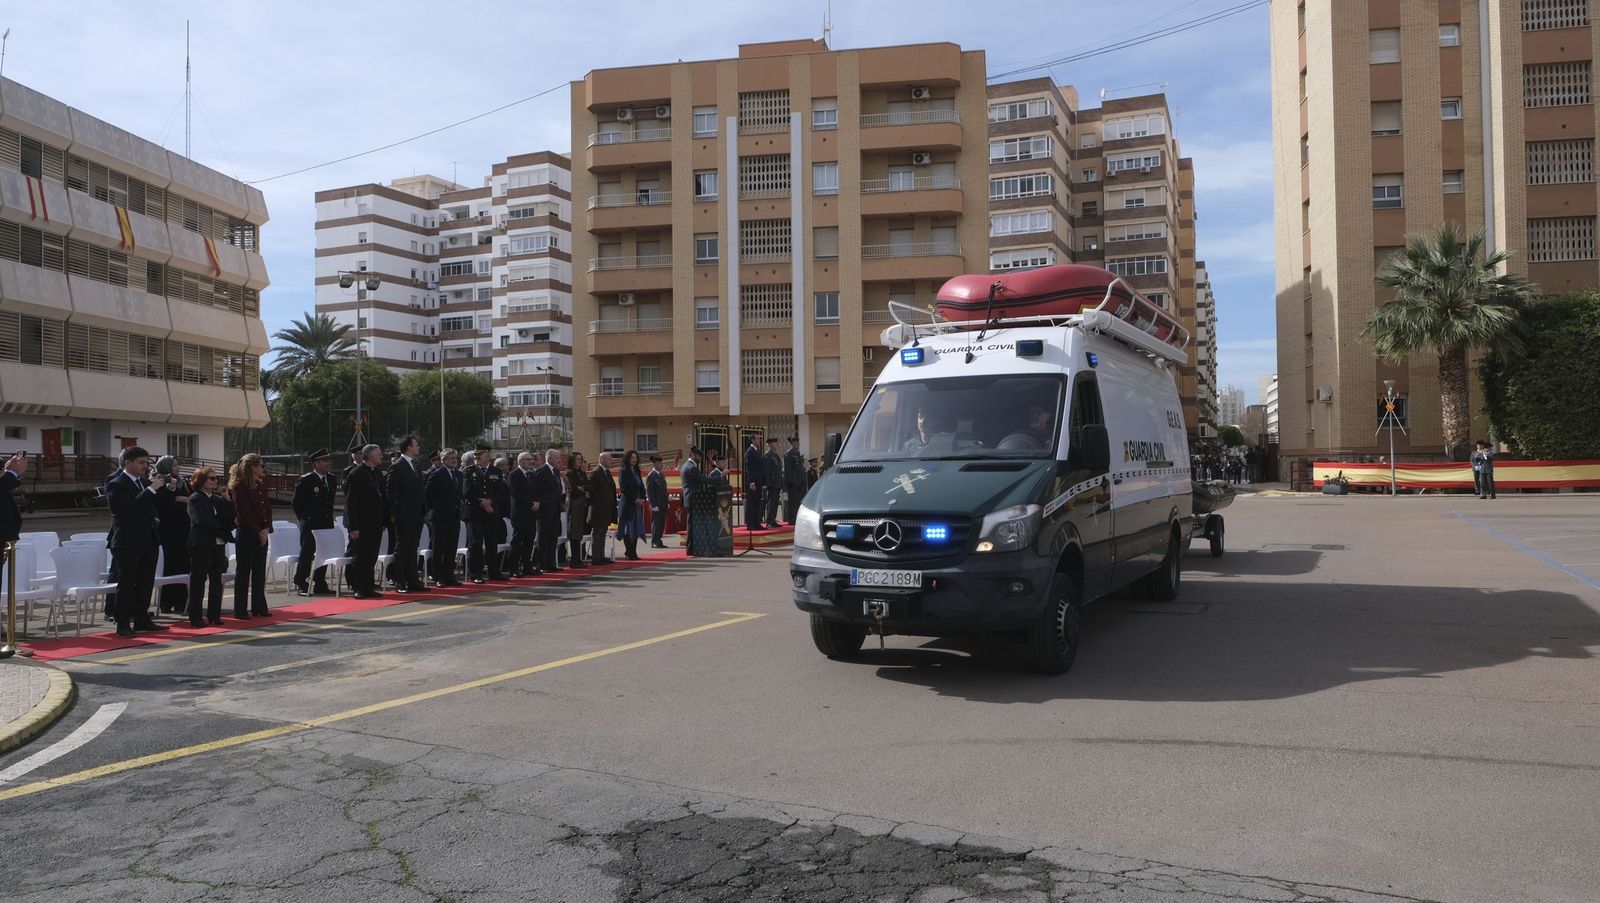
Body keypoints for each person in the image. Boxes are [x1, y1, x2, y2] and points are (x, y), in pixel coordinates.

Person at [105, 447, 169, 637]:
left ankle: (142, 619)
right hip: (128, 541)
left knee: (146, 581)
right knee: (127, 582)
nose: (145, 466)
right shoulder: (116, 483)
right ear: (127, 463)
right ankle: (123, 622)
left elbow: (158, 506)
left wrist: (165, 489)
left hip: (148, 538)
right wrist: (151, 489)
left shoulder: (143, 482)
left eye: (146, 462)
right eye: (141, 462)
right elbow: (128, 510)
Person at [184, 466, 234, 627]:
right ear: (201, 481)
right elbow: (200, 521)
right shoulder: (195, 498)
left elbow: (230, 518)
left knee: (216, 580)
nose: (215, 481)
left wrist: (227, 498)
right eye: (211, 478)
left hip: (218, 543)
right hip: (201, 543)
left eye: (216, 478)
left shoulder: (217, 499)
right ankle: (196, 617)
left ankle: (215, 615)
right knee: (198, 581)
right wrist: (220, 529)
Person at [229, 453, 273, 619]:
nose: (263, 469)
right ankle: (240, 610)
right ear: (253, 467)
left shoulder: (260, 485)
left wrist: (266, 529)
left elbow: (267, 509)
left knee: (259, 571)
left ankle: (259, 607)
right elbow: (245, 512)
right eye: (261, 465)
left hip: (261, 531)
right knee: (244, 572)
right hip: (247, 532)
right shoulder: (239, 486)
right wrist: (258, 531)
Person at [290, 449, 337, 597]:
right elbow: (296, 503)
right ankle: (301, 581)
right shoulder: (306, 480)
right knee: (307, 553)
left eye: (328, 461)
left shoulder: (331, 479)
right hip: (311, 523)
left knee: (323, 553)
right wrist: (304, 519)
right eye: (324, 461)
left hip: (326, 522)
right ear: (315, 464)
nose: (327, 463)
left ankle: (320, 582)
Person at [343, 445, 387, 599]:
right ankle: (358, 587)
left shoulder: (376, 473)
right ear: (370, 456)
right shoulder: (356, 474)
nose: (381, 456)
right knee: (360, 557)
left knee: (371, 557)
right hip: (361, 525)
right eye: (379, 454)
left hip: (375, 524)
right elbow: (351, 503)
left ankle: (369, 586)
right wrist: (353, 527)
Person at [385, 436, 428, 592]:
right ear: (409, 447)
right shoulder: (397, 466)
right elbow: (391, 492)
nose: (418, 448)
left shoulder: (415, 464)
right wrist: (392, 514)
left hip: (417, 513)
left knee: (413, 547)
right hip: (404, 514)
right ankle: (399, 581)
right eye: (416, 445)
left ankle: (413, 580)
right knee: (402, 548)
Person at [153, 455, 191, 614]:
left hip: (183, 528)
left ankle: (181, 602)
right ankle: (166, 602)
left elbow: (191, 497)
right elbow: (163, 504)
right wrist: (176, 496)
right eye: (174, 465)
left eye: (178, 465)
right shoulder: (158, 481)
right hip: (167, 529)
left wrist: (181, 498)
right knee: (169, 565)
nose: (178, 468)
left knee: (183, 564)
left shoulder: (181, 481)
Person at [425, 447, 464, 587]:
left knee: (451, 548)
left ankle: (449, 575)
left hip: (454, 516)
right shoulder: (436, 475)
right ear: (443, 460)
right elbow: (428, 495)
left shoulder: (458, 474)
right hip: (440, 517)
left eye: (456, 458)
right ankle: (438, 577)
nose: (455, 461)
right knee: (439, 548)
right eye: (451, 458)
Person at [462, 449, 497, 584]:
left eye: (479, 456)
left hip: (491, 511)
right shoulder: (468, 471)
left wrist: (491, 502)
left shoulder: (495, 471)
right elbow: (467, 492)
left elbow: (500, 491)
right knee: (475, 543)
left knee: (491, 542)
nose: (476, 458)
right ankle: (475, 573)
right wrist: (482, 502)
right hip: (474, 512)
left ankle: (494, 572)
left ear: (487, 457)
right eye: (475, 456)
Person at [532, 447, 566, 573]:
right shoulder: (541, 472)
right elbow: (536, 490)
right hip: (544, 511)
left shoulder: (556, 472)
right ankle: (543, 563)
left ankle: (552, 563)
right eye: (557, 458)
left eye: (559, 458)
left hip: (555, 509)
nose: (559, 460)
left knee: (553, 537)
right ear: (549, 458)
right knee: (544, 537)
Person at [507, 452, 541, 577]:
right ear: (520, 461)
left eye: (532, 459)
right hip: (520, 513)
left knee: (529, 541)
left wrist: (537, 502)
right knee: (518, 541)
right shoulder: (514, 475)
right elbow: (516, 493)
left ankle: (527, 566)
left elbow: (536, 491)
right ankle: (513, 568)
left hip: (531, 513)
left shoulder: (531, 475)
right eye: (528, 459)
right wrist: (531, 503)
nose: (531, 462)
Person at [588, 452, 617, 565]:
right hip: (598, 509)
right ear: (601, 459)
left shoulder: (607, 472)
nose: (611, 461)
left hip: (606, 509)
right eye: (609, 459)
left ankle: (601, 556)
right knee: (597, 533)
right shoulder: (595, 473)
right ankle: (596, 558)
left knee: (603, 533)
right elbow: (590, 491)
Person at [617, 450, 646, 561]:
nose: (634, 459)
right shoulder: (624, 471)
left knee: (636, 527)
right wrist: (635, 499)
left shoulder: (637, 471)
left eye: (635, 457)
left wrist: (643, 498)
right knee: (628, 528)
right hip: (629, 504)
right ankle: (629, 552)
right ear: (627, 459)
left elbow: (641, 487)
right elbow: (623, 488)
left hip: (638, 505)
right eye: (632, 457)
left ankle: (633, 552)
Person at [566, 452, 591, 568]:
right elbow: (573, 489)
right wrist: (581, 488)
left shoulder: (582, 472)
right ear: (572, 460)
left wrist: (582, 488)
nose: (580, 461)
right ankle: (574, 560)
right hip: (575, 504)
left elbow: (588, 486)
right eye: (578, 459)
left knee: (580, 532)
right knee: (575, 532)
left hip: (583, 505)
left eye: (581, 459)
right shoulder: (570, 473)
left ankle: (579, 558)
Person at [490, 456, 512, 576]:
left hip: (503, 514)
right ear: (499, 467)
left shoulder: (505, 478)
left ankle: (503, 564)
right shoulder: (496, 478)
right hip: (498, 513)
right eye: (505, 464)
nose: (508, 466)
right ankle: (498, 564)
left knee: (502, 537)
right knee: (497, 539)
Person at [646, 454, 670, 549]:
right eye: (659, 463)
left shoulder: (661, 474)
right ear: (654, 464)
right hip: (656, 504)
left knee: (661, 523)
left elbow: (664, 490)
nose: (661, 465)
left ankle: (659, 540)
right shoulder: (651, 476)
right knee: (656, 523)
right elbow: (650, 491)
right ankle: (654, 541)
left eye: (661, 463)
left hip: (663, 503)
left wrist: (667, 501)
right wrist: (653, 504)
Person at [743, 432, 766, 531]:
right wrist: (751, 481)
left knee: (757, 503)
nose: (759, 440)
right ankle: (750, 523)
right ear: (752, 440)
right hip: (753, 481)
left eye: (759, 439)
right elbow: (749, 468)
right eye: (757, 439)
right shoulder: (750, 451)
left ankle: (757, 523)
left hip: (759, 480)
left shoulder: (757, 451)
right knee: (752, 503)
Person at [782, 437, 805, 526]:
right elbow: (787, 471)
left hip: (799, 482)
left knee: (797, 503)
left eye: (798, 443)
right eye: (796, 443)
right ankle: (792, 520)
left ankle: (796, 519)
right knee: (792, 503)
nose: (798, 445)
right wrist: (787, 485)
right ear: (792, 444)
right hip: (793, 483)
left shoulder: (797, 453)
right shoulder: (789, 454)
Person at [763, 438, 784, 527]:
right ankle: (769, 521)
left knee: (775, 502)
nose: (776, 444)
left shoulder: (775, 456)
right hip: (772, 483)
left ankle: (773, 519)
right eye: (774, 443)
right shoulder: (768, 455)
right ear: (770, 444)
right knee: (771, 502)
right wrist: (768, 483)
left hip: (777, 482)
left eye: (776, 443)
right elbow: (767, 471)